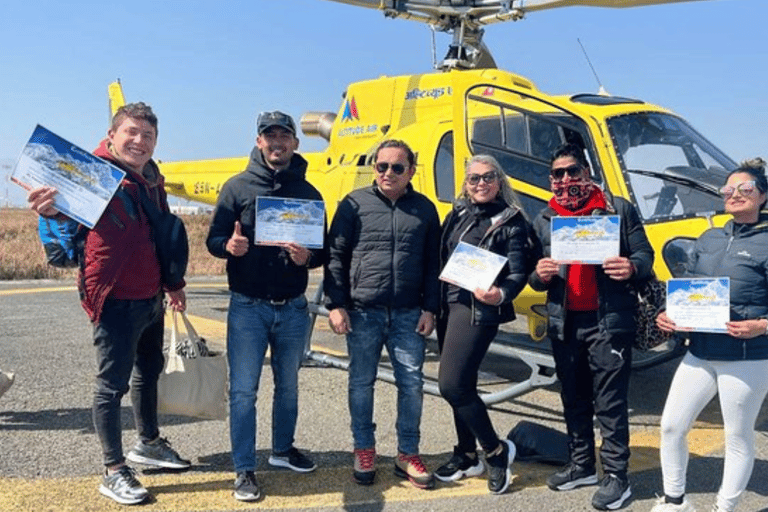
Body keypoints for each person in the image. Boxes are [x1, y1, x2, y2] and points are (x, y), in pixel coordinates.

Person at [27, 103, 190, 506]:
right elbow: (64, 238)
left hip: (151, 294)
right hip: (114, 296)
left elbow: (162, 235)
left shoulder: (152, 179)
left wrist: (173, 284)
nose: (139, 141)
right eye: (131, 133)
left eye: (148, 136)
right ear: (112, 135)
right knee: (110, 385)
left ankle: (148, 442)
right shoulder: (92, 176)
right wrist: (50, 211)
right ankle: (114, 469)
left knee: (148, 371)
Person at [206, 110, 325, 502]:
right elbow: (214, 239)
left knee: (288, 386)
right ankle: (244, 468)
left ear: (294, 142)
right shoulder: (237, 187)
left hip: (292, 308)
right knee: (243, 391)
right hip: (248, 307)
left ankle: (282, 450)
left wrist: (306, 258)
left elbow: (322, 252)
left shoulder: (310, 194)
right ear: (259, 142)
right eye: (268, 136)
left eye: (283, 136)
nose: (276, 143)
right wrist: (229, 247)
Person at [529, 143, 653, 511]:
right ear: (551, 179)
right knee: (574, 397)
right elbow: (534, 278)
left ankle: (617, 476)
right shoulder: (545, 218)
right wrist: (540, 273)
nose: (565, 179)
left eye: (572, 171)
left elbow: (645, 255)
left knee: (611, 403)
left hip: (608, 321)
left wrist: (631, 267)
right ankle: (582, 464)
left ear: (586, 172)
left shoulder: (616, 209)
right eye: (558, 174)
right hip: (565, 322)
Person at [651, 159, 768, 512]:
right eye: (728, 190)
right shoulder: (710, 236)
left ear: (763, 196)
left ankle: (724, 508)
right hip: (700, 350)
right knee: (671, 427)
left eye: (745, 189)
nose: (735, 195)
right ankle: (675, 502)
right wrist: (670, 314)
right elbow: (689, 287)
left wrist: (762, 325)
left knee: (737, 436)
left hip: (748, 355)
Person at [324, 139, 440, 489]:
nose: (388, 173)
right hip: (362, 312)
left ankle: (408, 453)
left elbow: (434, 263)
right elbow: (336, 256)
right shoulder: (354, 204)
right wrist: (336, 304)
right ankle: (364, 448)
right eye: (381, 166)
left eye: (397, 167)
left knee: (412, 384)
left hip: (408, 313)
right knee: (361, 384)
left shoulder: (425, 208)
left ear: (411, 171)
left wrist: (430, 308)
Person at [434, 155, 539, 494]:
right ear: (466, 183)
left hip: (479, 308)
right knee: (462, 384)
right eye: (473, 179)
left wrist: (502, 294)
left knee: (451, 385)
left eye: (487, 177)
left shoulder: (512, 221)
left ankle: (494, 452)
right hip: (448, 304)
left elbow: (520, 272)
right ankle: (466, 454)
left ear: (499, 181)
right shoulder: (460, 213)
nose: (480, 184)